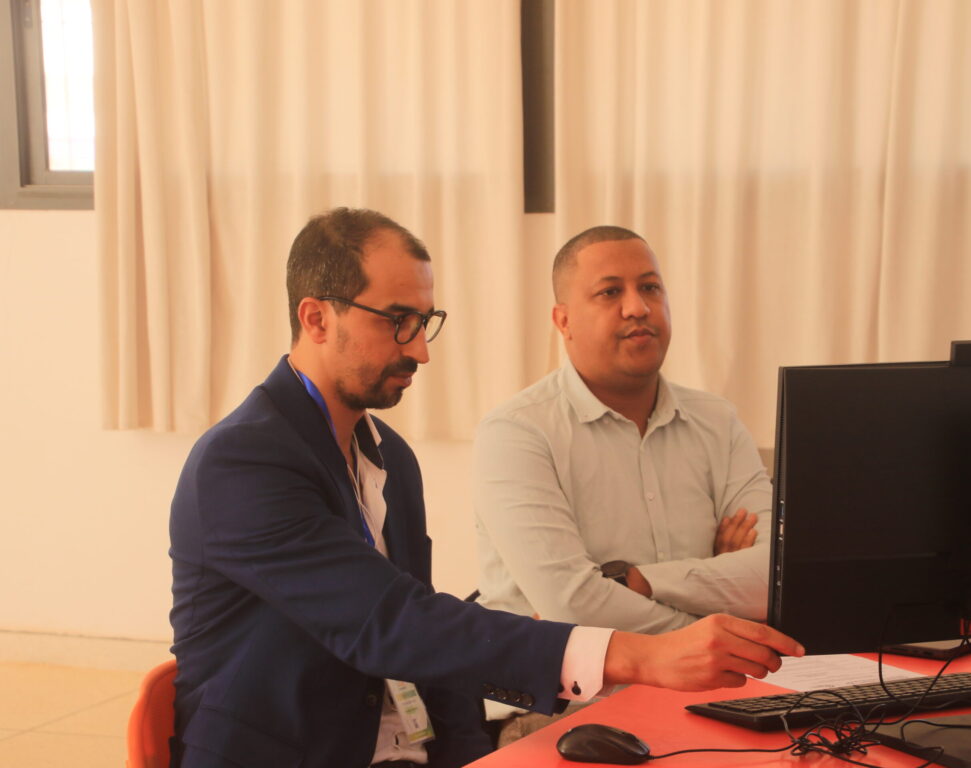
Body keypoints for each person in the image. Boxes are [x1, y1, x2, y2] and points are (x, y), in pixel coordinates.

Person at [169, 208, 802, 768]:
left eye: (425, 322)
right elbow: (393, 623)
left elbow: (427, 647)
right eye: (397, 321)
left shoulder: (391, 456)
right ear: (316, 318)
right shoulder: (244, 461)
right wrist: (643, 655)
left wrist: (471, 755)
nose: (420, 351)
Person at [473, 226, 774, 739]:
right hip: (564, 710)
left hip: (718, 695)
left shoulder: (717, 421)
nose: (638, 307)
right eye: (610, 292)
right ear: (563, 320)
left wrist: (639, 581)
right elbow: (571, 604)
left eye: (650, 287)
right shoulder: (517, 433)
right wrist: (715, 621)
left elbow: (774, 575)